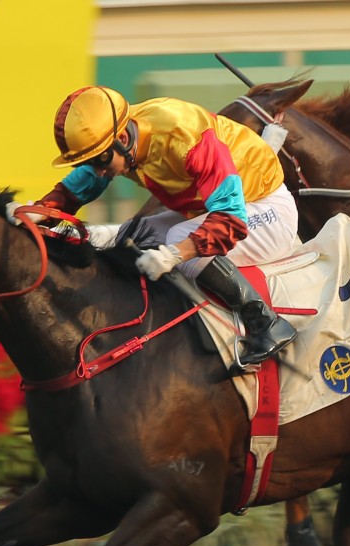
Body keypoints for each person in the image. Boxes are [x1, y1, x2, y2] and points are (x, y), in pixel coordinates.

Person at [18, 85, 299, 368]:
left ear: (123, 138)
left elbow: (231, 219)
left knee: (177, 237)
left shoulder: (186, 138)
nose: (96, 170)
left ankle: (266, 322)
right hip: (214, 208)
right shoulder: (122, 138)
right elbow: (79, 187)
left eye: (98, 160)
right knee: (136, 233)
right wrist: (42, 212)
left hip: (266, 209)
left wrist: (175, 254)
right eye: (87, 162)